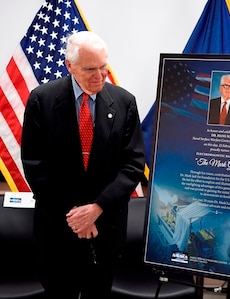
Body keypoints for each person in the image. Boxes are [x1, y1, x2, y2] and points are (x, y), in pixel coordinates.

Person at [21, 31, 146, 299]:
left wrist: (97, 207)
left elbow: (133, 164)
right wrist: (77, 215)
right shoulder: (42, 100)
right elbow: (35, 165)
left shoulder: (125, 103)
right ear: (69, 65)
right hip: (58, 227)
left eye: (104, 67)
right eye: (90, 69)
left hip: (105, 228)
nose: (99, 76)